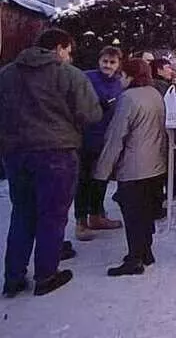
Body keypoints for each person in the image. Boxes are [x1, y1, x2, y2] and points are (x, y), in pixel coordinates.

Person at [0, 29, 102, 297]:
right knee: (53, 215)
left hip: (16, 153)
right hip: (57, 152)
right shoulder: (68, 74)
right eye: (68, 51)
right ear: (59, 48)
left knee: (22, 212)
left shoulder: (7, 74)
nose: (69, 57)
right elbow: (90, 113)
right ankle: (46, 274)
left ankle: (13, 277)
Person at [93, 59, 167, 277]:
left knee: (133, 214)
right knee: (146, 213)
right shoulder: (155, 94)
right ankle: (146, 251)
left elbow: (116, 137)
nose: (119, 79)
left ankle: (134, 258)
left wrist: (102, 171)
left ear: (130, 76)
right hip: (155, 164)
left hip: (134, 166)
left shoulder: (127, 99)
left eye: (122, 75)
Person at [74, 46, 124, 242]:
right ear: (99, 61)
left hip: (107, 137)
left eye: (112, 62)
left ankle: (97, 215)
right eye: (105, 61)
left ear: (118, 64)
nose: (108, 66)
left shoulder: (119, 83)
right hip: (86, 137)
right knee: (84, 180)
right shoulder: (86, 78)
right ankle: (81, 221)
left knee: (100, 178)